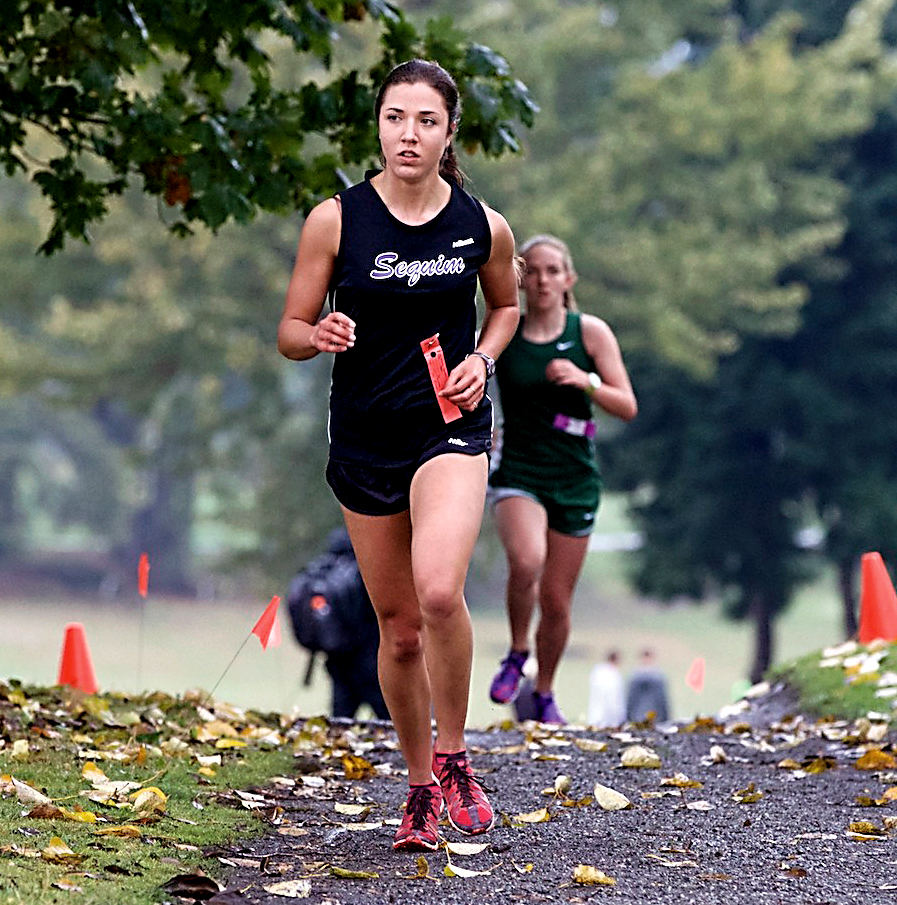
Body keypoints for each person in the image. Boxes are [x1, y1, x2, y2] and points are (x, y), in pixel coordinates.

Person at [278, 59, 519, 852]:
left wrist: (482, 357)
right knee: (399, 625)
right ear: (377, 126)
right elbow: (290, 328)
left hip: (447, 426)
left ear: (449, 132)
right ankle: (417, 785)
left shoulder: (481, 224)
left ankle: (455, 758)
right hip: (363, 437)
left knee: (440, 592)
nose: (407, 134)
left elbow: (506, 304)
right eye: (394, 118)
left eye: (424, 120)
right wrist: (317, 336)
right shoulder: (335, 220)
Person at [487, 234, 637, 725]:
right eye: (532, 271)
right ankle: (515, 652)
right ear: (520, 279)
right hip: (519, 471)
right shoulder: (505, 330)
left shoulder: (589, 333)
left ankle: (545, 692)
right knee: (525, 561)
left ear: (568, 279)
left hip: (574, 477)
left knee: (555, 601)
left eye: (553, 271)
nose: (542, 279)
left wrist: (585, 380)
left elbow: (627, 405)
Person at [625, 648, 671, 723]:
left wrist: (628, 717)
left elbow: (630, 700)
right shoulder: (659, 677)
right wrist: (666, 718)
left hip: (637, 717)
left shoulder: (634, 676)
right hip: (656, 717)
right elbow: (662, 699)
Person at [587, 649, 626, 727]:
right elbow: (613, 697)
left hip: (597, 714)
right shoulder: (611, 675)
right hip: (607, 716)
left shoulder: (598, 671)